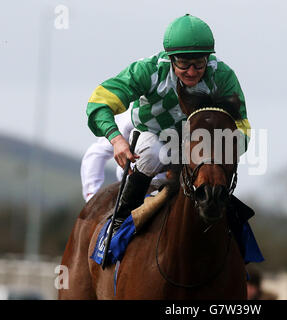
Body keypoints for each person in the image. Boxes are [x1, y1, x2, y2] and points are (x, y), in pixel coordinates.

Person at [86, 14, 251, 235]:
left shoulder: (222, 76)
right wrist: (116, 140)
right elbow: (99, 102)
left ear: (207, 59)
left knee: (216, 181)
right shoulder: (148, 71)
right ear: (171, 58)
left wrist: (226, 154)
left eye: (199, 64)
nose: (192, 72)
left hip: (199, 146)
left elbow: (241, 125)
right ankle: (118, 224)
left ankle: (241, 257)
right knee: (152, 153)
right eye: (184, 64)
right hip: (153, 136)